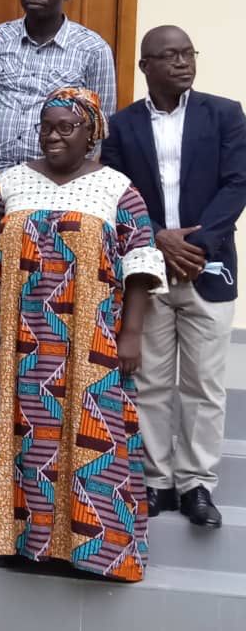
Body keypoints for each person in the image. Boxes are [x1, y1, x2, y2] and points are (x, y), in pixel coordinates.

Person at [0, 88, 166, 582]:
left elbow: (142, 264)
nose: (53, 136)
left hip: (92, 340)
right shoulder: (10, 183)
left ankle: (95, 553)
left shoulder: (117, 188)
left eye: (66, 127)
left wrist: (131, 334)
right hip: (21, 344)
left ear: (92, 133)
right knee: (28, 442)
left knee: (96, 443)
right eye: (47, 126)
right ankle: (23, 544)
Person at [0, 0, 118, 434]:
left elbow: (98, 119)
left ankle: (55, 396)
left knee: (47, 298)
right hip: (1, 187)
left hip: (63, 194)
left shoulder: (91, 48)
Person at [101, 26, 246, 528]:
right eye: (170, 56)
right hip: (148, 269)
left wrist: (195, 245)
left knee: (205, 384)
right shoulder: (121, 126)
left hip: (210, 267)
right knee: (151, 380)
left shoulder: (225, 114)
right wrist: (159, 237)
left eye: (188, 53)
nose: (184, 63)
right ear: (146, 66)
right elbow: (118, 191)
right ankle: (156, 481)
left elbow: (236, 184)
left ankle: (197, 485)